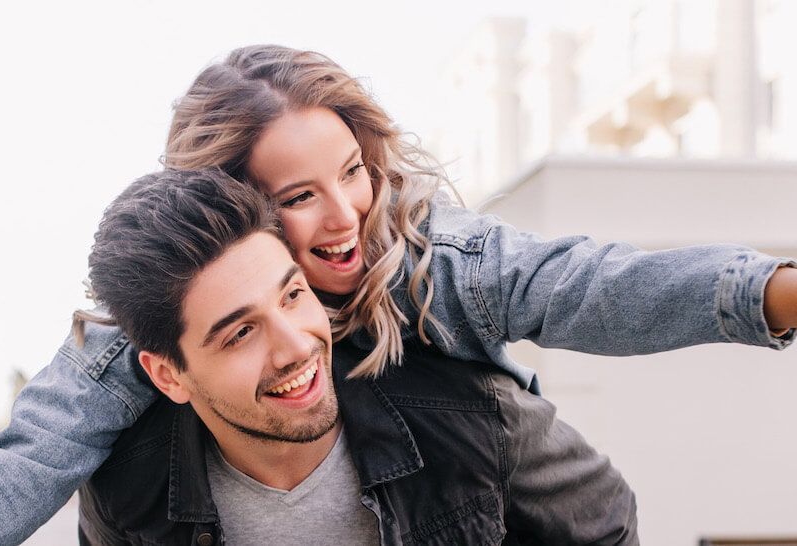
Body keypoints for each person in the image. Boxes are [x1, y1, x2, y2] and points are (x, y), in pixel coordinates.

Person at [0, 45, 796, 545]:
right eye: (298, 197)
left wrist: (773, 291)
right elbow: (15, 466)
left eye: (352, 171)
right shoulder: (138, 347)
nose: (347, 216)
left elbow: (587, 285)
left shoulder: (426, 259)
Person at [76, 168, 634, 545]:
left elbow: (607, 521)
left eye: (293, 296)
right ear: (169, 374)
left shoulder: (471, 415)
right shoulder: (125, 490)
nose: (297, 345)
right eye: (241, 333)